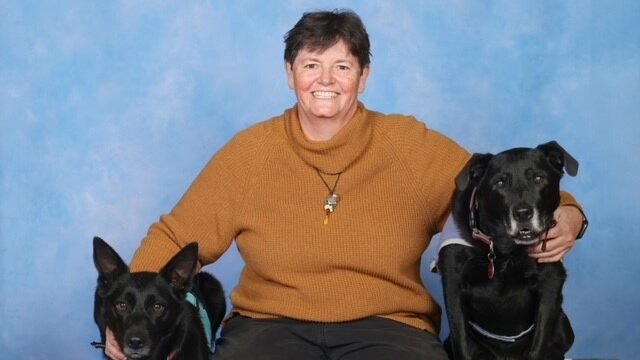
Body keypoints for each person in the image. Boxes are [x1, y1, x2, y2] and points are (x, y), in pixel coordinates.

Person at [104, 9, 587, 360]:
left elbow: (498, 185)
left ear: (364, 75)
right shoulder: (250, 152)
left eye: (342, 66)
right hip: (269, 326)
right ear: (290, 74)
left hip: (389, 327)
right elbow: (174, 234)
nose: (325, 80)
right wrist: (126, 320)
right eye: (311, 65)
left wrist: (568, 211)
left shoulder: (408, 144)